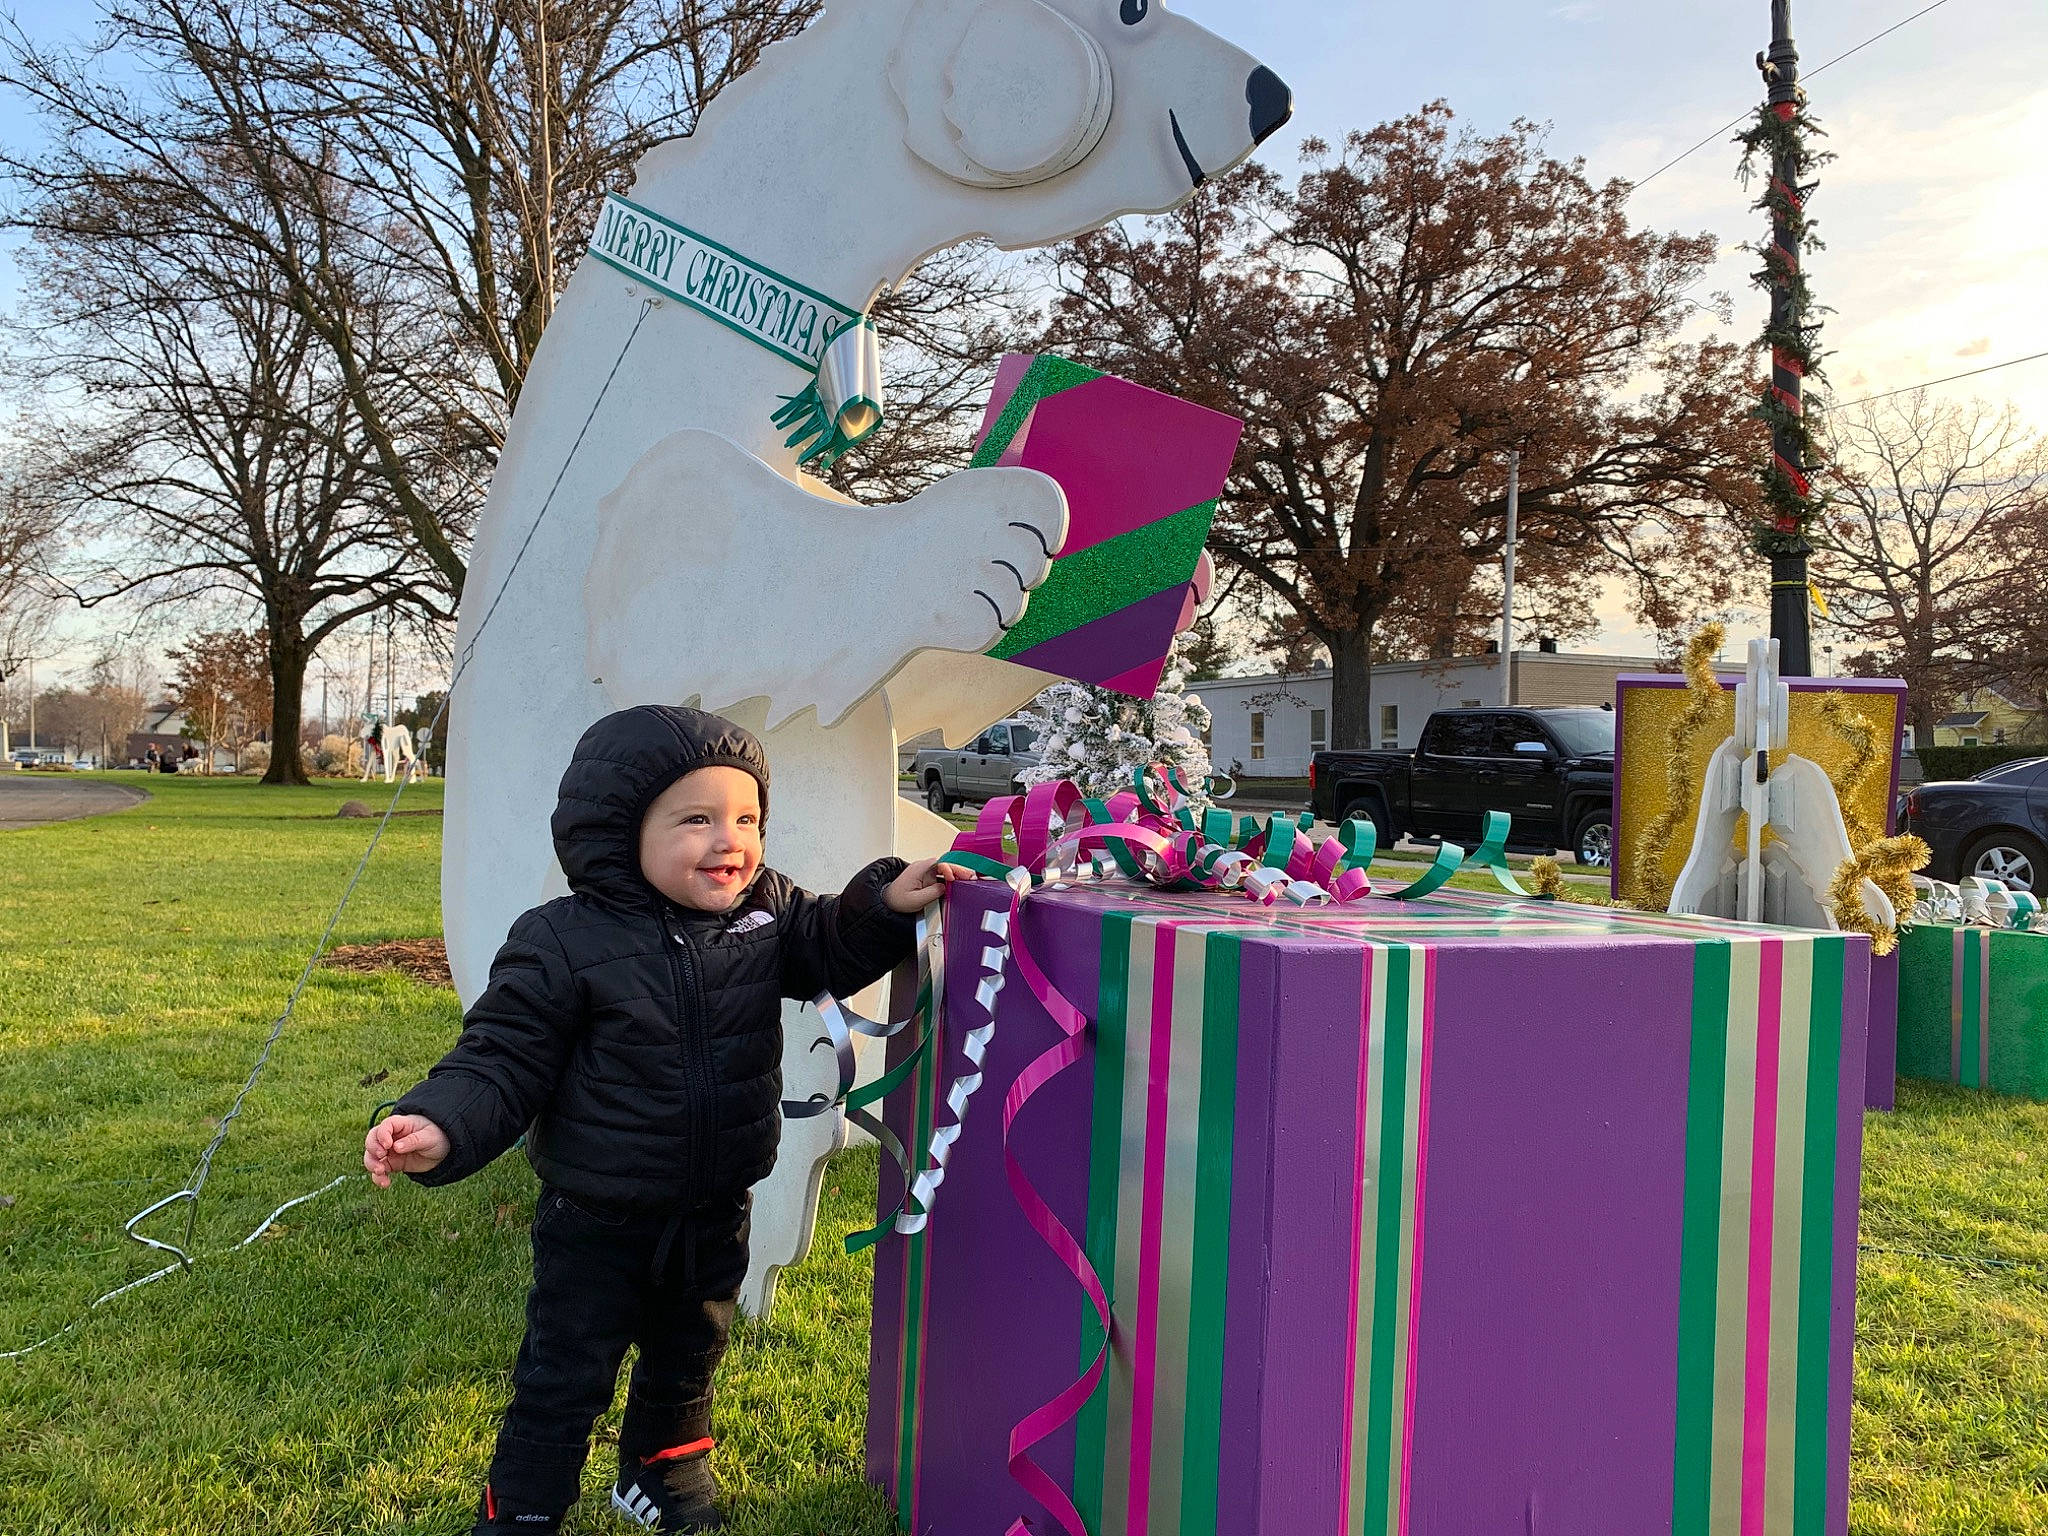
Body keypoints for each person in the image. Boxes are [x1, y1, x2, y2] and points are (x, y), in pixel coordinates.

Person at [363, 706, 972, 1534]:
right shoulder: (561, 942)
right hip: (598, 1214)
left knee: (690, 1355)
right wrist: (440, 1122)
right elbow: (501, 1057)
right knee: (565, 1370)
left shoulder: (765, 913)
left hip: (717, 1201)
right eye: (697, 819)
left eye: (747, 818)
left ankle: (662, 1472)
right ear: (620, 831)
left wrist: (886, 897)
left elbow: (830, 941)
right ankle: (525, 1507)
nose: (732, 841)